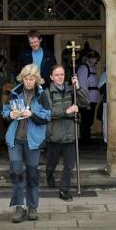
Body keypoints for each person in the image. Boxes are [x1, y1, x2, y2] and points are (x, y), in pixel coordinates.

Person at [2, 64, 51, 223]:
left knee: (32, 174)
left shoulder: (43, 95)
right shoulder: (14, 93)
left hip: (33, 141)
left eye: (31, 79)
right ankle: (18, 207)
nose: (28, 82)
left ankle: (32, 207)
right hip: (15, 140)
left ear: (37, 80)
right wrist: (10, 114)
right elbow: (4, 112)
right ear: (22, 78)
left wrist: (32, 114)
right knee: (16, 172)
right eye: (26, 78)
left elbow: (47, 117)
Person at [44, 65, 89, 201]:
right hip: (55, 134)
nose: (60, 77)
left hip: (70, 133)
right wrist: (67, 111)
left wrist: (78, 87)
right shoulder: (47, 93)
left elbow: (85, 102)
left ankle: (64, 190)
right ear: (51, 77)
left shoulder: (72, 90)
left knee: (69, 164)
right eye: (57, 75)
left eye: (62, 74)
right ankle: (49, 174)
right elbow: (48, 113)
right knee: (52, 162)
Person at [76, 50, 101, 145]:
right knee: (86, 121)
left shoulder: (92, 68)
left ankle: (86, 139)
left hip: (92, 98)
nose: (96, 61)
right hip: (87, 98)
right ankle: (85, 141)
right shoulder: (84, 68)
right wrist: (86, 101)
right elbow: (83, 85)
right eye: (95, 59)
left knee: (89, 120)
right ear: (90, 58)